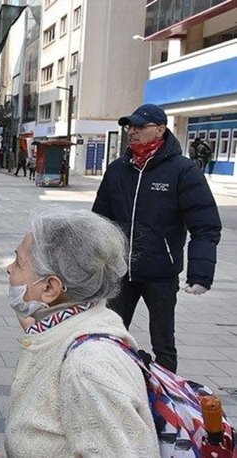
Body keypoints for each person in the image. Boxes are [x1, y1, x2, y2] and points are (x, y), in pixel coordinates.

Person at [0, 208, 159, 458]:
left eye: (18, 262)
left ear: (50, 288)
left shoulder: (88, 368)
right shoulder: (80, 321)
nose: (9, 268)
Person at [92, 103, 221, 373]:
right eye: (130, 126)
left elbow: (205, 225)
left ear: (161, 129)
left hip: (160, 273)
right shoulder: (117, 170)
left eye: (140, 126)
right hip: (120, 272)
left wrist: (201, 274)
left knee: (163, 344)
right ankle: (111, 384)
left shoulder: (182, 171)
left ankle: (168, 396)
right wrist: (91, 265)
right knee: (108, 336)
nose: (133, 131)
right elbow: (99, 222)